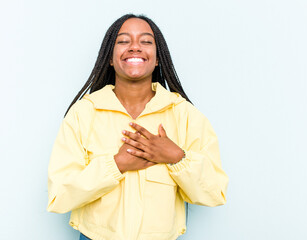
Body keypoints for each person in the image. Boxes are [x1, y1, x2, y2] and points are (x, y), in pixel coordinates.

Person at [47, 14, 229, 240]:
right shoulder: (84, 113)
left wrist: (176, 156)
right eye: (123, 41)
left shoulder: (185, 115)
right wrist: (117, 164)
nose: (135, 47)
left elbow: (214, 193)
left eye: (145, 41)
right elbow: (59, 195)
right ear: (110, 58)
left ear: (157, 58)